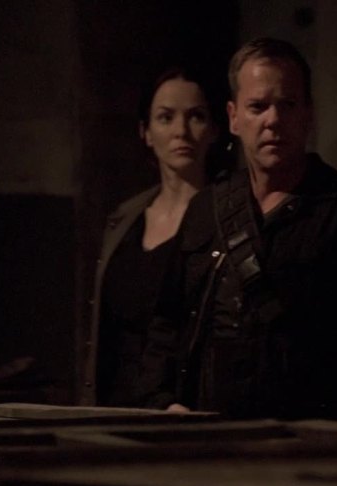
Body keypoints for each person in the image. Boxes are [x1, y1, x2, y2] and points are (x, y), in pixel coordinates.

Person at [139, 38, 337, 423]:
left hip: (304, 439)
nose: (273, 120)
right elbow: (167, 322)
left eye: (287, 105)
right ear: (234, 117)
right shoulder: (207, 209)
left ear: (308, 115)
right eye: (258, 106)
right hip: (209, 434)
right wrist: (162, 401)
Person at [78, 65, 222, 406]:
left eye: (196, 116)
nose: (181, 131)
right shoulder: (124, 219)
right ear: (145, 131)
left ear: (215, 129)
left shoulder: (223, 218)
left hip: (179, 410)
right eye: (165, 117)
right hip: (111, 408)